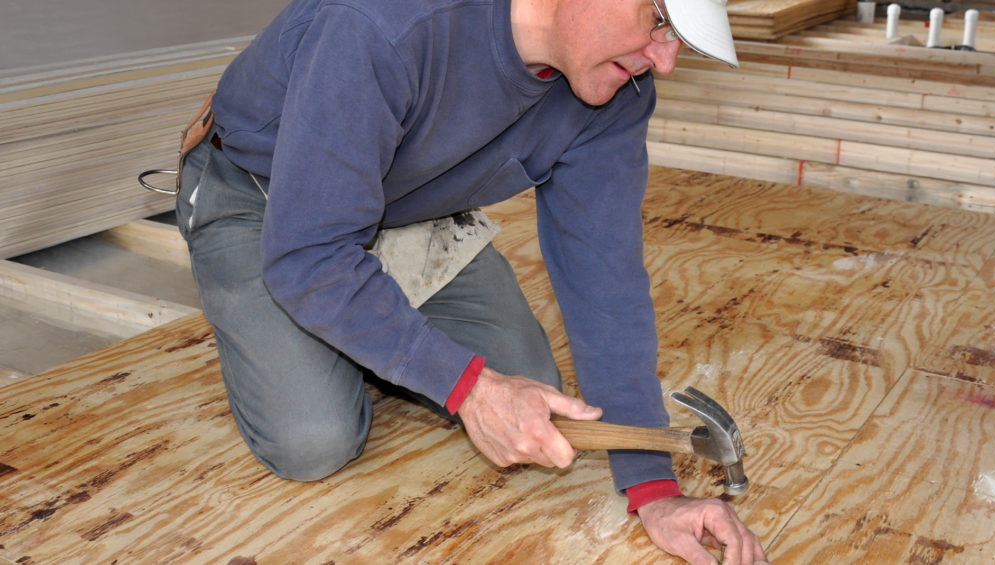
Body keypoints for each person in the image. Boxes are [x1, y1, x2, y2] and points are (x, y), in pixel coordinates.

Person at [175, 0, 767, 562]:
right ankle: (348, 326)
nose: (665, 60)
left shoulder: (618, 89)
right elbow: (308, 253)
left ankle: (360, 322)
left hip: (407, 201)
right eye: (659, 20)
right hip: (266, 197)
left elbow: (604, 273)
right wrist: (468, 389)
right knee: (314, 438)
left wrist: (653, 486)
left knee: (534, 402)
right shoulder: (381, 26)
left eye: (678, 40)